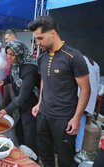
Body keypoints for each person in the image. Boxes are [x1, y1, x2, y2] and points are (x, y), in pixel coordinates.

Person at [28, 15, 90, 167]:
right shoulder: (41, 57)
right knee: (45, 154)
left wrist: (76, 118)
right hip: (43, 115)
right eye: (36, 39)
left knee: (65, 160)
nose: (38, 43)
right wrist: (39, 103)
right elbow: (44, 80)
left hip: (64, 118)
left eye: (40, 38)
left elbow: (85, 90)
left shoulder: (74, 57)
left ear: (53, 33)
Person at [0, 40, 39, 156]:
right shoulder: (16, 64)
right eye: (7, 54)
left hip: (31, 104)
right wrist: (3, 81)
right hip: (20, 103)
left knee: (29, 132)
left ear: (20, 54)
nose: (8, 57)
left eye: (12, 54)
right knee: (19, 129)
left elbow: (23, 96)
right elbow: (12, 77)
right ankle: (21, 153)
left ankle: (32, 159)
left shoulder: (30, 68)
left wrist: (6, 110)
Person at [74, 56, 100, 163]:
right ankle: (78, 150)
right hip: (90, 96)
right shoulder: (96, 65)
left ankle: (74, 149)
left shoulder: (78, 60)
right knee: (81, 122)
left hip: (81, 95)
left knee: (76, 122)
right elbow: (98, 85)